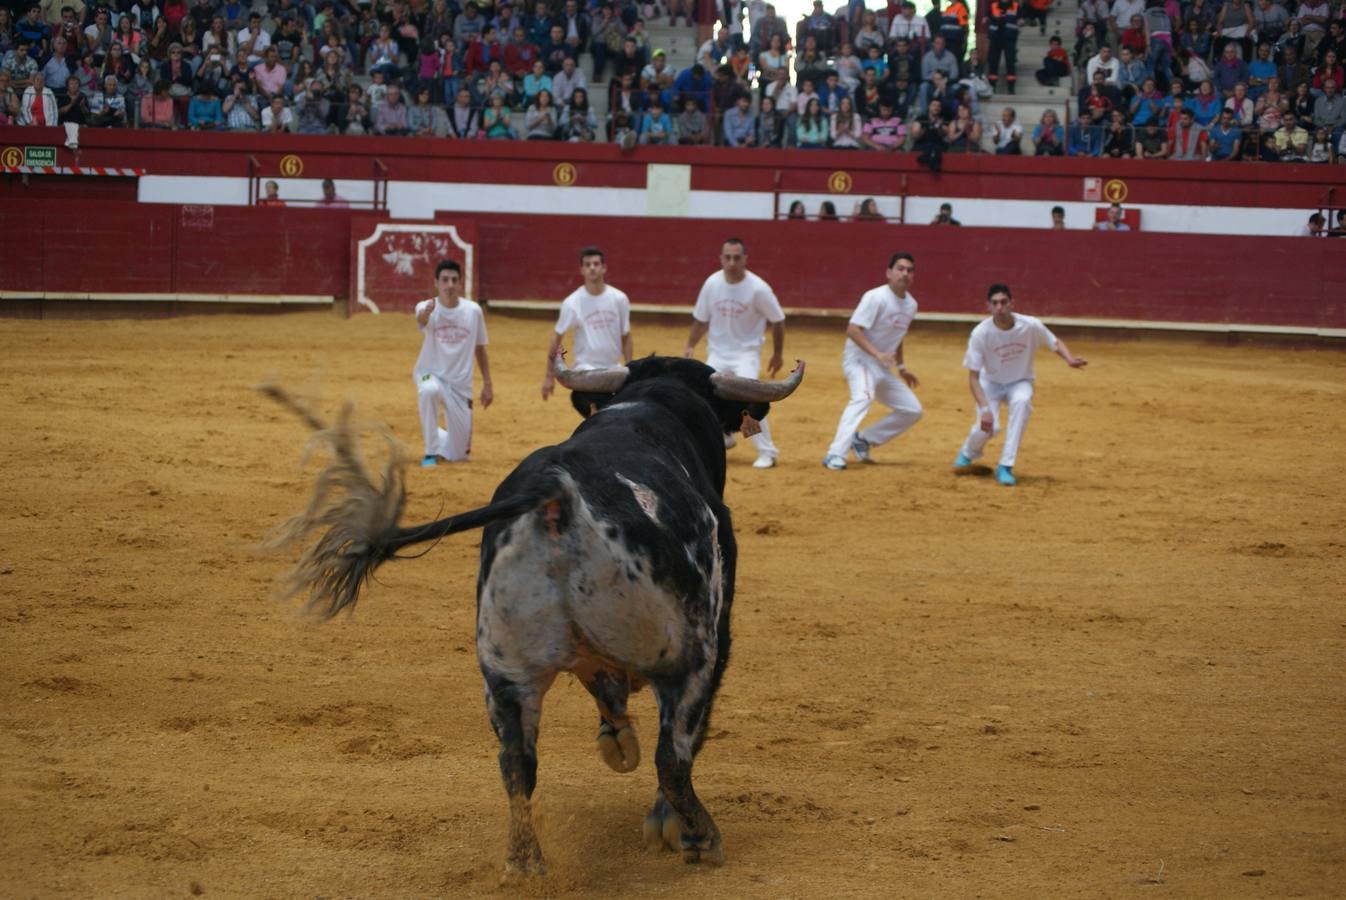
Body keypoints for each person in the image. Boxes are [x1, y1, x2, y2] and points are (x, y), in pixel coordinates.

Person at [953, 284, 1087, 486]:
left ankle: (1005, 466)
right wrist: (984, 408)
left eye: (1004, 302)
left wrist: (1068, 359)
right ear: (988, 306)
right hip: (990, 384)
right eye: (995, 303)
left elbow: (1054, 342)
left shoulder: (1030, 325)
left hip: (1020, 381)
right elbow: (973, 377)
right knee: (990, 427)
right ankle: (968, 452)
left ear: (1012, 303)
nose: (1000, 307)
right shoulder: (980, 333)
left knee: (1023, 402)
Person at [683, 238, 786, 469]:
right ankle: (725, 435)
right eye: (727, 257)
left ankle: (767, 451)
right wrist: (690, 345)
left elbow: (778, 320)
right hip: (718, 352)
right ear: (721, 258)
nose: (731, 262)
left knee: (749, 401)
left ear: (745, 259)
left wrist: (777, 354)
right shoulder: (712, 283)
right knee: (707, 399)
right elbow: (701, 319)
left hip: (745, 354)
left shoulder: (758, 288)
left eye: (736, 257)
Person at [821, 253, 923, 470]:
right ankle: (834, 453)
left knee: (912, 409)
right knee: (863, 397)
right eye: (900, 268)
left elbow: (898, 335)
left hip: (881, 364)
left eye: (909, 270)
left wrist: (902, 367)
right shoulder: (875, 297)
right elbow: (853, 330)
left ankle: (864, 439)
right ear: (889, 273)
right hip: (859, 360)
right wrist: (877, 354)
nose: (905, 273)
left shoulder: (911, 305)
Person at [413, 259, 493, 467]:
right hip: (430, 373)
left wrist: (488, 383)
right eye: (445, 280)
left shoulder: (473, 311)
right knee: (428, 390)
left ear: (460, 283)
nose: (449, 284)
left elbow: (480, 348)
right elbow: (421, 319)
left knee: (458, 455)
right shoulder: (426, 307)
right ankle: (430, 452)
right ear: (436, 283)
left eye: (454, 280)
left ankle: (433, 431)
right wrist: (426, 314)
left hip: (460, 386)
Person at [540, 246, 633, 416]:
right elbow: (557, 339)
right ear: (582, 270)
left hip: (613, 368)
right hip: (586, 369)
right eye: (588, 264)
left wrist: (630, 368)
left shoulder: (620, 299)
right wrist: (549, 376)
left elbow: (626, 336)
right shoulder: (572, 302)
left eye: (596, 264)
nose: (592, 267)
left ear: (604, 268)